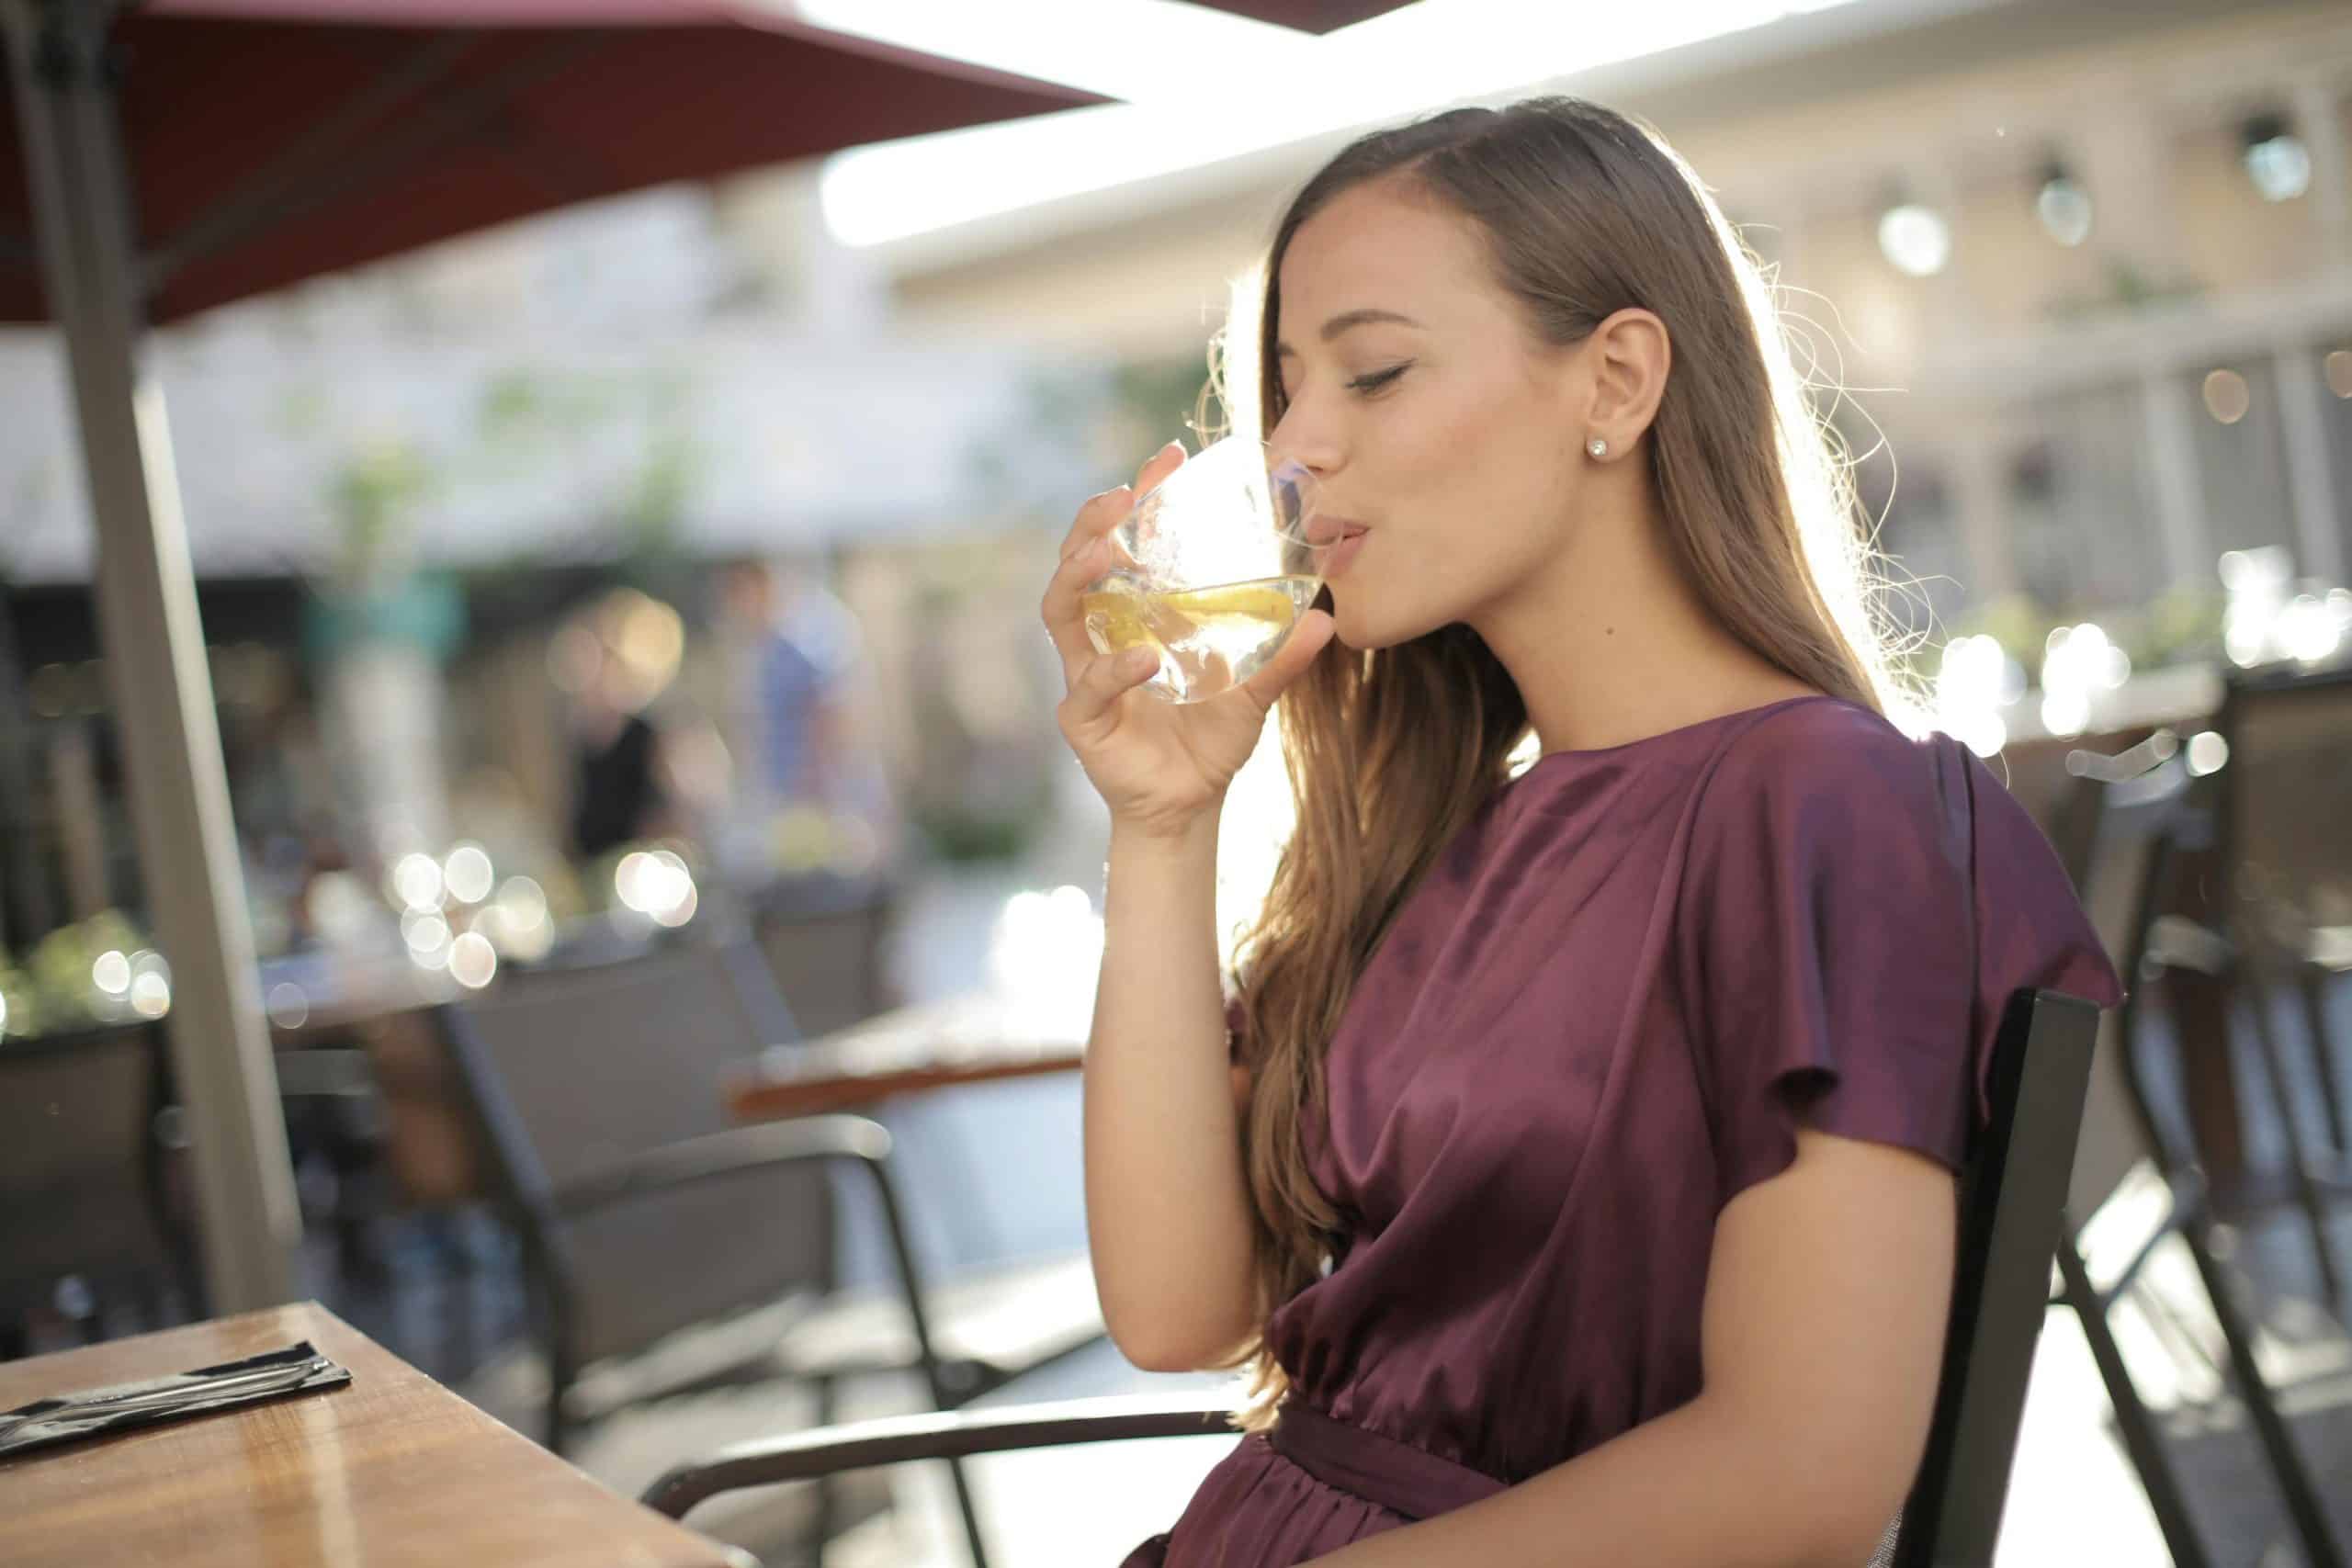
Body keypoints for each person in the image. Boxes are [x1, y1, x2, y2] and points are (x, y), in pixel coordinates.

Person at [1039, 98, 2122, 1568]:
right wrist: (1164, 828)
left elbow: (1799, 1472)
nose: (1296, 448)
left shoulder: (1825, 809)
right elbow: (1177, 1313)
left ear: (1615, 378)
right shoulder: (1451, 830)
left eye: (1373, 371)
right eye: (1286, 392)